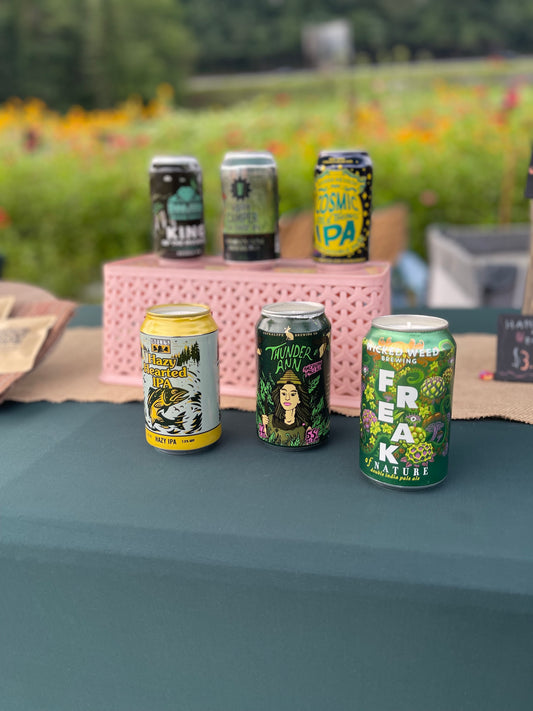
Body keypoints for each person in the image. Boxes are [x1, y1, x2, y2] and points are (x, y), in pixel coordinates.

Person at [261, 369, 311, 446]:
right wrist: (264, 425)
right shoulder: (269, 420)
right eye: (283, 394)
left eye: (292, 394)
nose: (287, 398)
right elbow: (266, 436)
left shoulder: (305, 425)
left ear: (299, 399)